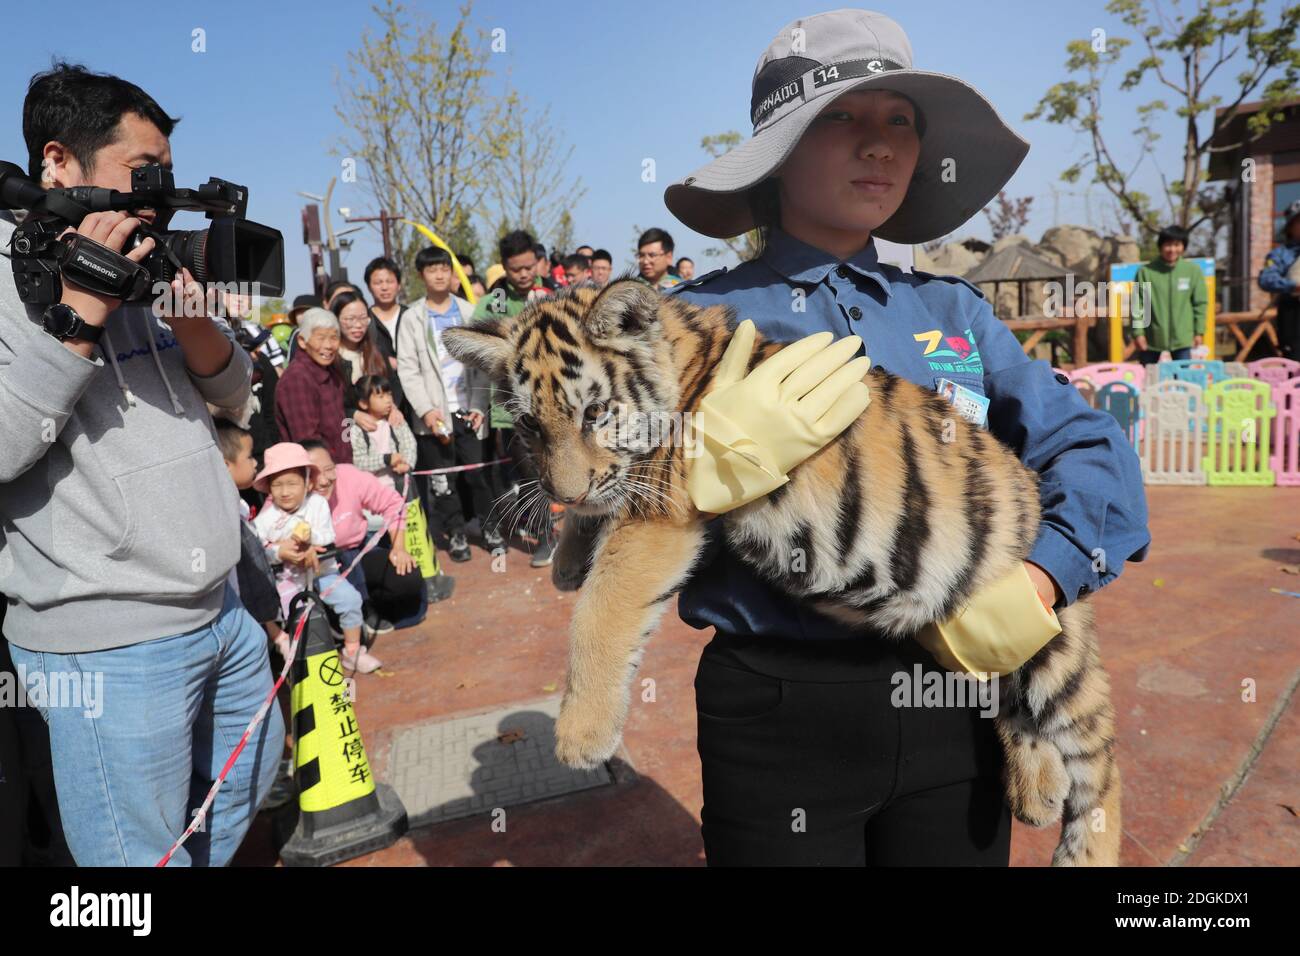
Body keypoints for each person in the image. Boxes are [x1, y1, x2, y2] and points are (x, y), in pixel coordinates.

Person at [661, 9, 1151, 865]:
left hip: (958, 702)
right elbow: (592, 528)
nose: (879, 145)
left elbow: (1092, 446)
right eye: (842, 117)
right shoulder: (695, 319)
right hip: (778, 709)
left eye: (899, 122)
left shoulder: (953, 311)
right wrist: (687, 474)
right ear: (779, 149)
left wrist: (1046, 577)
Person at [0, 62, 283, 865]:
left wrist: (185, 311)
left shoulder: (149, 254)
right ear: (58, 162)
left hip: (217, 608)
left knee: (243, 782)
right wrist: (82, 312)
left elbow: (234, 393)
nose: (157, 194)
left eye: (166, 174)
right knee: (131, 863)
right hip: (105, 642)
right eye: (142, 174)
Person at [399, 245, 498, 561]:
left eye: (445, 268)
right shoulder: (412, 318)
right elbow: (408, 367)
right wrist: (426, 410)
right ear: (421, 276)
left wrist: (480, 406)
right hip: (435, 414)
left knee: (478, 475)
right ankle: (456, 535)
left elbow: (483, 364)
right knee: (444, 481)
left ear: (453, 273)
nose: (440, 275)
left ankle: (490, 527)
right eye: (432, 270)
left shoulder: (469, 312)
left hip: (468, 409)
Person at [471, 229, 559, 566]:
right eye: (515, 269)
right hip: (512, 412)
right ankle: (545, 537)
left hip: (555, 409)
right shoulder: (493, 304)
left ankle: (564, 535)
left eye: (528, 267)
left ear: (537, 261)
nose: (523, 275)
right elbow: (476, 352)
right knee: (528, 476)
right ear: (504, 267)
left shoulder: (552, 294)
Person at [251, 443, 378, 674]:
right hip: (289, 578)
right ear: (269, 489)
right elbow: (259, 549)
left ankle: (352, 651)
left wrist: (311, 538)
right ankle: (300, 654)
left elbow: (328, 535)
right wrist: (279, 551)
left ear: (308, 483)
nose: (285, 491)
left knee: (350, 600)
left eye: (292, 483)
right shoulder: (267, 518)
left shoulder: (317, 504)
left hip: (323, 572)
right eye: (277, 485)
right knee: (293, 614)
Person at [303, 440, 433, 633]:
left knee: (406, 575)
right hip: (316, 568)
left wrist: (399, 547)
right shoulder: (288, 494)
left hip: (357, 552)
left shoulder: (348, 475)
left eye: (329, 469)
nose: (323, 480)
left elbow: (393, 503)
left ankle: (372, 605)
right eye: (312, 474)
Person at [216, 421, 290, 659]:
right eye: (249, 457)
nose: (255, 462)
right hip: (240, 618)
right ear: (226, 466)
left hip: (256, 616)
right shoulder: (223, 516)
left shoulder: (239, 507)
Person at [275, 307, 354, 464]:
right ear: (302, 341)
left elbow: (342, 423)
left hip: (342, 467)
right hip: (319, 473)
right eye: (321, 338)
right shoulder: (297, 379)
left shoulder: (331, 370)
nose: (329, 345)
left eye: (334, 338)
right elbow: (308, 441)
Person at [1130, 225, 1208, 364]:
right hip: (1152, 339)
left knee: (1184, 380)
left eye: (1177, 245)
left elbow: (1200, 304)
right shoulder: (1146, 272)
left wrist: (1199, 331)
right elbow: (1138, 306)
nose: (1172, 250)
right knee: (1149, 378)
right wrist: (1138, 333)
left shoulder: (1192, 271)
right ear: (1161, 246)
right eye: (1168, 245)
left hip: (1183, 339)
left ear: (1183, 246)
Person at [364, 256, 417, 413]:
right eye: (378, 283)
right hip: (379, 401)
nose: (384, 287)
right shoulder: (364, 321)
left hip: (415, 398)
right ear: (369, 287)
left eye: (389, 281)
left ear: (399, 285)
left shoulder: (413, 316)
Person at [348, 374, 418, 491]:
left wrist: (407, 463)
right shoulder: (357, 429)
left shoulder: (396, 420)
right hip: (372, 493)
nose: (388, 400)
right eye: (380, 396)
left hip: (401, 487)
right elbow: (359, 462)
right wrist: (386, 459)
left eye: (389, 394)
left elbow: (409, 444)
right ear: (364, 404)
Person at [1259, 198, 1300, 361]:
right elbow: (1267, 279)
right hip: (1294, 315)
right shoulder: (1281, 254)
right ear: (1290, 226)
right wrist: (1294, 286)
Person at [331, 289, 388, 385]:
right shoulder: (330, 357)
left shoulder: (377, 353)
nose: (358, 325)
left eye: (363, 318)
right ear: (335, 319)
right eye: (350, 319)